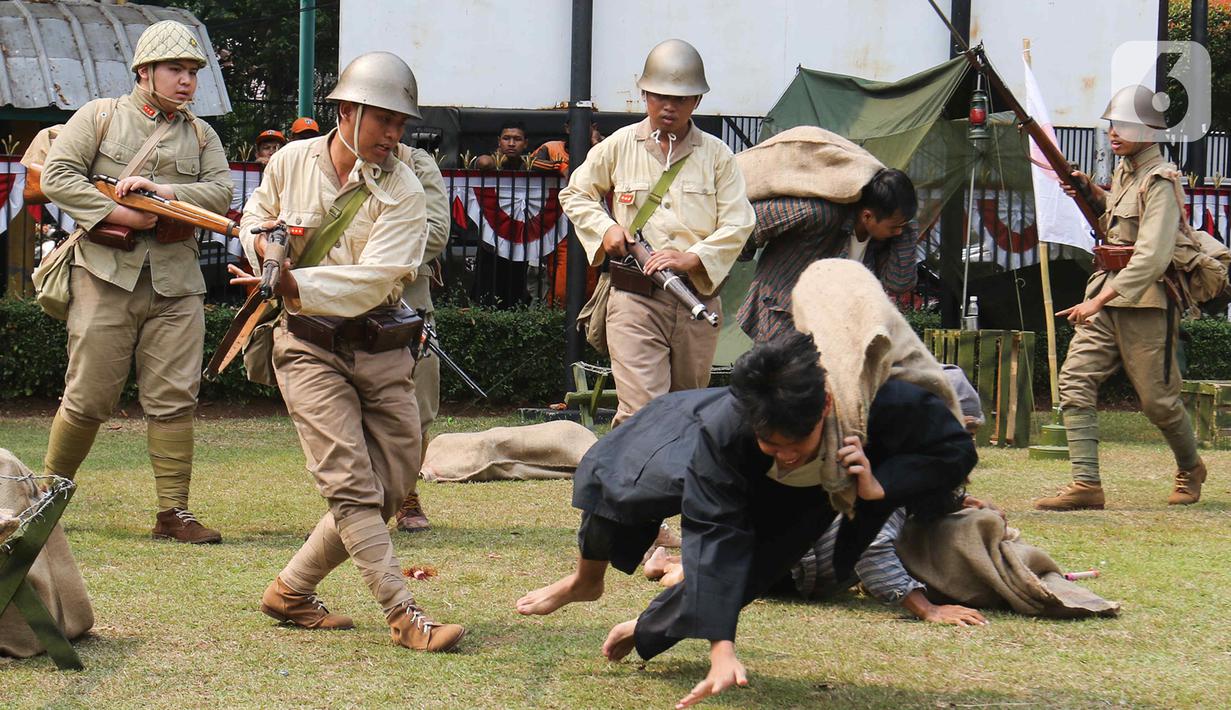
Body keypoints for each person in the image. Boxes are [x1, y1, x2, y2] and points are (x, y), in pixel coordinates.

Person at [515, 332, 976, 707]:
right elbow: (711, 532)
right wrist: (723, 650)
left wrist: (881, 484)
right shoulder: (728, 428)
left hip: (807, 495)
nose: (787, 456)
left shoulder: (886, 403)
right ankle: (585, 580)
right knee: (614, 474)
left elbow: (955, 451)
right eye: (773, 444)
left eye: (796, 444)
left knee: (754, 566)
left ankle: (646, 627)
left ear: (826, 407)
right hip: (693, 438)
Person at [231, 51, 464, 651]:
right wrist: (265, 246)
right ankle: (404, 615)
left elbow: (377, 277)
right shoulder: (290, 161)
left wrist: (294, 281)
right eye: (384, 119)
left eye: (401, 123)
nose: (394, 135)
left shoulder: (404, 186)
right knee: (351, 485)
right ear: (347, 112)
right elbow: (255, 215)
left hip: (381, 347)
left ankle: (290, 591)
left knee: (393, 482)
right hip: (307, 346)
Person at [39, 20, 233, 543]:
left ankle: (174, 513)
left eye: (193, 71)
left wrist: (163, 192)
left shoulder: (202, 134)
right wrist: (121, 214)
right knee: (87, 396)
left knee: (175, 399)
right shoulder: (100, 116)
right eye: (175, 69)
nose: (187, 81)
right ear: (144, 71)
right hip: (104, 275)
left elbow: (221, 193)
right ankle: (47, 500)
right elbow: (57, 175)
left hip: (177, 281)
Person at [559, 38, 756, 426]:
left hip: (696, 298)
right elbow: (576, 193)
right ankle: (634, 468)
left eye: (680, 98)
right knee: (640, 414)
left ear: (696, 101)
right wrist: (606, 228)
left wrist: (692, 257)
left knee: (687, 413)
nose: (669, 106)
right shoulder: (620, 145)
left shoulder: (718, 155)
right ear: (644, 95)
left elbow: (739, 222)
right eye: (661, 96)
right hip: (634, 297)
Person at [1036, 84, 1207, 511]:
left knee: (1158, 401)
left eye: (1125, 125)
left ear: (1150, 131)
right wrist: (1092, 192)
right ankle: (1086, 484)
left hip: (1145, 301)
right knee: (1075, 379)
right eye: (1112, 124)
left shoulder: (1161, 180)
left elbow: (1151, 256)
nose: (1114, 132)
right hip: (1107, 292)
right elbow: (1118, 217)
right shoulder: (1127, 173)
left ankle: (1190, 467)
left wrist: (1096, 301)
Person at [738, 168, 919, 344]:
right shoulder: (820, 213)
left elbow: (899, 283)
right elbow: (755, 220)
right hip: (783, 320)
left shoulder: (881, 240)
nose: (898, 232)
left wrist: (907, 230)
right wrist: (739, 253)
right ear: (867, 216)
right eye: (894, 226)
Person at [392, 141, 450, 533]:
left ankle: (406, 494)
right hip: (342, 303)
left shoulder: (416, 162)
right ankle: (351, 501)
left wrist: (369, 252)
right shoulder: (325, 161)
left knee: (418, 406)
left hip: (410, 301)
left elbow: (436, 232)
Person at [529, 121, 604, 175]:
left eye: (584, 127)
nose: (579, 132)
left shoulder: (603, 147)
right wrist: (560, 166)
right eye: (576, 126)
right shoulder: (551, 147)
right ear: (567, 128)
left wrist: (595, 143)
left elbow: (607, 167)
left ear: (594, 128)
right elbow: (529, 163)